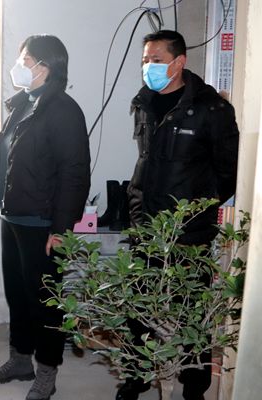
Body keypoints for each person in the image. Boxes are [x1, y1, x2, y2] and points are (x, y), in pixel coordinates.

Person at [121, 30, 239, 400]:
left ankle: (193, 387)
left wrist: (196, 210)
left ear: (179, 62)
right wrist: (137, 210)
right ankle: (136, 376)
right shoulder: (144, 102)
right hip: (146, 227)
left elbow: (228, 173)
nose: (148, 67)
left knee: (192, 312)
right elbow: (146, 163)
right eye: (145, 60)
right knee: (138, 309)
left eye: (156, 60)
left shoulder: (212, 110)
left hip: (189, 233)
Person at [0, 34, 91, 400]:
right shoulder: (25, 104)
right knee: (17, 295)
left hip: (42, 224)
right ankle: (19, 360)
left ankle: (47, 372)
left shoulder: (63, 110)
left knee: (45, 301)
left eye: (25, 60)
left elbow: (75, 175)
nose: (20, 66)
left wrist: (60, 229)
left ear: (45, 66)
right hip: (13, 217)